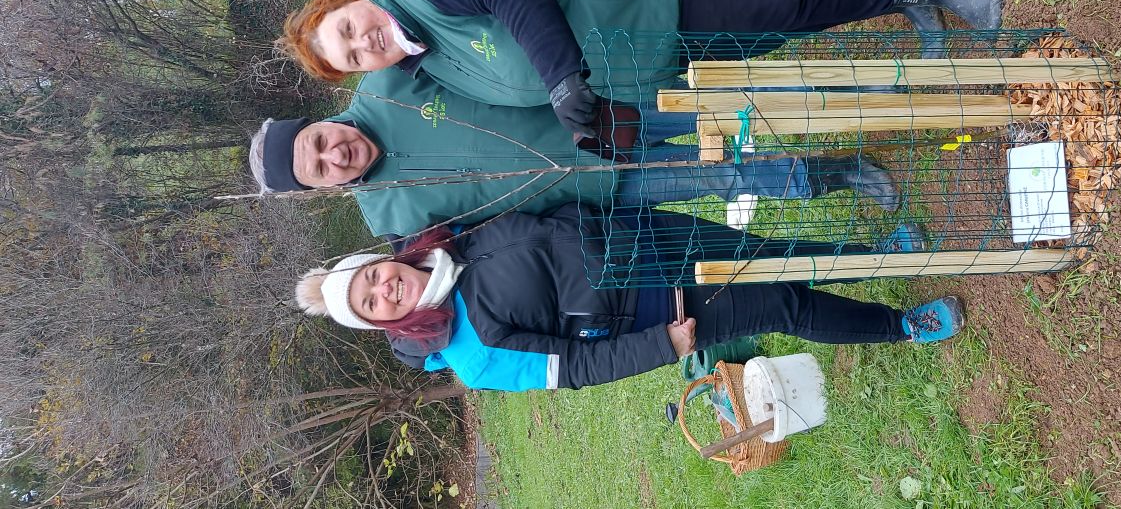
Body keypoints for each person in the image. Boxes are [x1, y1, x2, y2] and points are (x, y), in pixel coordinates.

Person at [277, 0, 1003, 138]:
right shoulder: (421, 58)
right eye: (348, 56)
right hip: (643, 48)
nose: (358, 42)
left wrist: (562, 75)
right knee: (772, 31)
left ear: (347, 2)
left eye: (344, 27)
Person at [294, 204, 966, 391]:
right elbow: (575, 368)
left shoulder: (453, 236)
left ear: (381, 260)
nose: (383, 289)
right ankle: (899, 325)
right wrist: (662, 345)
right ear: (388, 320)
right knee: (783, 303)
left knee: (770, 255)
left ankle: (880, 255)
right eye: (373, 303)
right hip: (659, 310)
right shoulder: (472, 354)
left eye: (372, 277)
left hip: (645, 240)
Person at [249, 66, 902, 237]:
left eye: (317, 142)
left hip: (602, 111)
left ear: (316, 121)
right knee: (723, 176)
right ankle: (838, 172)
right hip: (596, 189)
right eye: (320, 170)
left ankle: (849, 93)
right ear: (323, 189)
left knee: (724, 106)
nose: (335, 155)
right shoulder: (389, 219)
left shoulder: (387, 85)